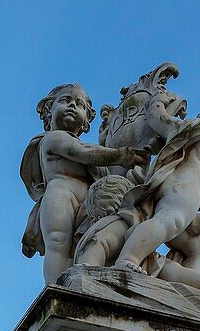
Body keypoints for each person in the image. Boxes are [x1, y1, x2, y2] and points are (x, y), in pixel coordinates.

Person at [19, 83, 147, 284]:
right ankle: (57, 289)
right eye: (65, 100)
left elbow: (105, 168)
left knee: (85, 244)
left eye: (79, 104)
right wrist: (120, 155)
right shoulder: (53, 138)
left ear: (86, 120)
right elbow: (83, 153)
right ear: (48, 111)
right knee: (58, 242)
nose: (72, 106)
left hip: (88, 201)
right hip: (60, 195)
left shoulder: (89, 147)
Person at [111, 97, 200, 275]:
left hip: (176, 189)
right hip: (185, 188)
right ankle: (128, 259)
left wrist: (158, 102)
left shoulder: (194, 129)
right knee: (170, 220)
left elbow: (157, 118)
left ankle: (194, 287)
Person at [74, 175, 200, 300]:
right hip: (109, 271)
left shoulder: (132, 230)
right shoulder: (118, 223)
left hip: (137, 267)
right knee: (170, 271)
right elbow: (96, 244)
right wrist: (90, 276)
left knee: (171, 270)